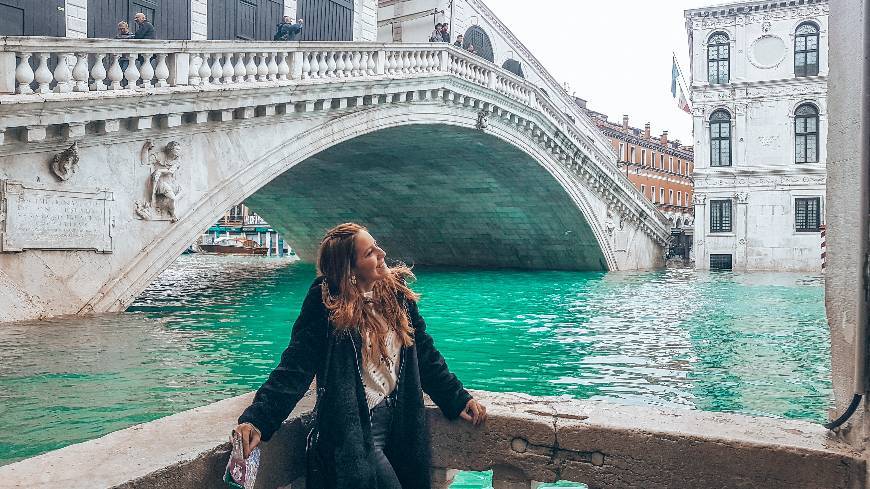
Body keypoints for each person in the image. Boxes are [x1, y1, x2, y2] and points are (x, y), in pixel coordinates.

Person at [234, 222, 487, 489]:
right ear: (350, 269)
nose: (382, 254)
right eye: (369, 253)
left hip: (402, 420)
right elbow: (295, 367)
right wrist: (258, 419)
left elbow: (424, 353)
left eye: (376, 246)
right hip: (355, 428)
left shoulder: (397, 295)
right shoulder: (325, 303)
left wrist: (456, 397)